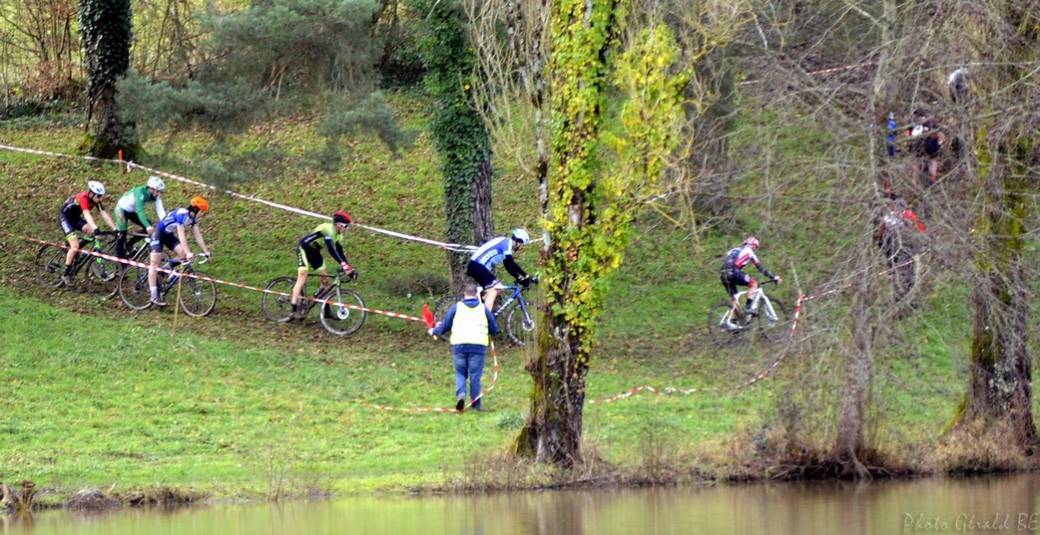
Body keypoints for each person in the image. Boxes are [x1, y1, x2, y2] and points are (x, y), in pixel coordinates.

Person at [429, 283, 499, 412]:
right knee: (475, 376)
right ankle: (476, 405)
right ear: (476, 295)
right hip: (478, 347)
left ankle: (461, 395)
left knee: (460, 373)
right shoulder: (483, 309)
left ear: (464, 294)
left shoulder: (456, 307)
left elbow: (445, 326)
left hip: (459, 346)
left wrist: (433, 330)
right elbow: (494, 329)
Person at [289, 211, 355, 321]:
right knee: (303, 276)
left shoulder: (339, 235)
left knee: (325, 281)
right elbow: (331, 250)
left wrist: (349, 267)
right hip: (304, 249)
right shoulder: (327, 229)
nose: (346, 229)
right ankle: (293, 310)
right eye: (346, 226)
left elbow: (340, 252)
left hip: (315, 253)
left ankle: (326, 311)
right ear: (339, 224)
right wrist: (344, 266)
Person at [147, 196, 212, 306]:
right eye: (202, 211)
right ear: (196, 209)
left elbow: (198, 235)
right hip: (159, 233)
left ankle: (164, 270)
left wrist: (206, 251)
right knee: (154, 264)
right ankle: (154, 296)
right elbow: (181, 235)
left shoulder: (193, 219)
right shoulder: (182, 214)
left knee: (183, 255)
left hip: (168, 235)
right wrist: (188, 252)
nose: (203, 214)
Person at [59, 180, 116, 285]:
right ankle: (66, 274)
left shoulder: (95, 200)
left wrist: (115, 229)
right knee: (75, 246)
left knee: (93, 233)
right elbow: (87, 214)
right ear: (92, 193)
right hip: (65, 218)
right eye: (99, 196)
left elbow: (105, 215)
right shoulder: (83, 198)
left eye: (101, 196)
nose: (100, 199)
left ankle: (76, 254)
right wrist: (94, 227)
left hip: (75, 218)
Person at [467, 228, 533, 311]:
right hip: (477, 266)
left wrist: (523, 277)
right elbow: (510, 263)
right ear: (518, 241)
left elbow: (509, 266)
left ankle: (479, 308)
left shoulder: (506, 244)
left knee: (498, 289)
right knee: (495, 289)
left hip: (477, 266)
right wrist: (524, 277)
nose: (522, 247)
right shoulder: (506, 243)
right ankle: (486, 318)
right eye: (523, 244)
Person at [719, 236, 781, 321]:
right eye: (755, 247)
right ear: (753, 246)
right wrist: (773, 277)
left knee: (735, 298)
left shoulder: (733, 250)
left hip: (723, 273)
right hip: (733, 272)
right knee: (753, 283)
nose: (755, 249)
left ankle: (734, 322)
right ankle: (748, 308)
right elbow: (760, 268)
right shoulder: (750, 252)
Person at [115, 175, 167, 260]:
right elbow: (140, 211)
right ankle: (119, 262)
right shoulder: (140, 192)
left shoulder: (155, 196)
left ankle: (129, 243)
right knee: (122, 234)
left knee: (149, 225)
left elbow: (160, 210)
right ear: (151, 189)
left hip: (131, 211)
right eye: (158, 191)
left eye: (160, 192)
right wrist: (147, 226)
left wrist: (165, 224)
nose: (159, 194)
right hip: (121, 209)